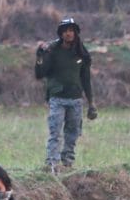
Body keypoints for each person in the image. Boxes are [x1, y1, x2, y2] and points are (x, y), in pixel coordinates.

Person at [35, 16, 97, 174]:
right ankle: (52, 164)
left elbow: (86, 79)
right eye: (66, 31)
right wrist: (40, 56)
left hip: (76, 99)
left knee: (73, 132)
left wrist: (91, 103)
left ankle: (67, 163)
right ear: (61, 34)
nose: (69, 34)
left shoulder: (81, 53)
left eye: (72, 31)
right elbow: (40, 74)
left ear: (76, 33)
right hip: (57, 99)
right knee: (55, 132)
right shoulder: (53, 51)